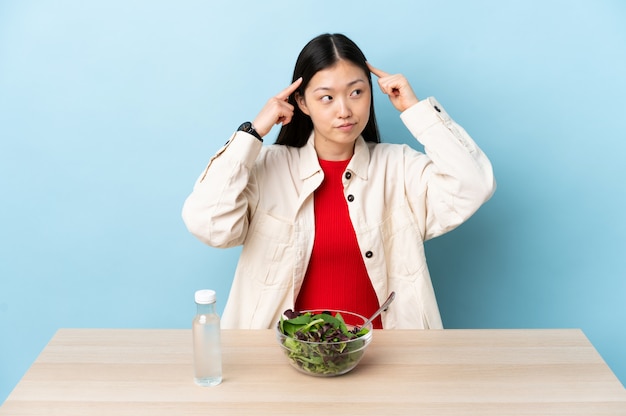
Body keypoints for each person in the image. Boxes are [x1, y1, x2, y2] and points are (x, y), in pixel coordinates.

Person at [182, 33, 495, 330]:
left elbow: (473, 185)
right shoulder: (267, 167)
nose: (344, 110)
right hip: (284, 358)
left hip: (390, 356)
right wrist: (252, 134)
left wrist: (416, 111)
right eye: (327, 97)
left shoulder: (398, 166)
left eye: (356, 92)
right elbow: (209, 224)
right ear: (302, 103)